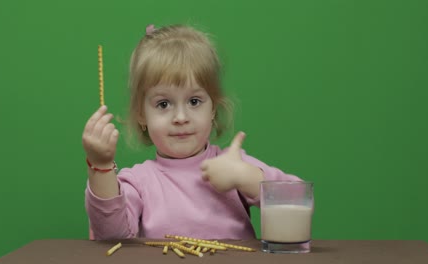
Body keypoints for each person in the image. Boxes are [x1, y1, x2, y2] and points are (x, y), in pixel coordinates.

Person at [82, 24, 302, 240]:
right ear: (141, 114)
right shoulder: (138, 182)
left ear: (213, 108)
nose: (180, 117)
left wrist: (244, 176)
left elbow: (299, 198)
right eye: (163, 104)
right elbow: (112, 235)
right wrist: (100, 165)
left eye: (194, 101)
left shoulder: (231, 164)